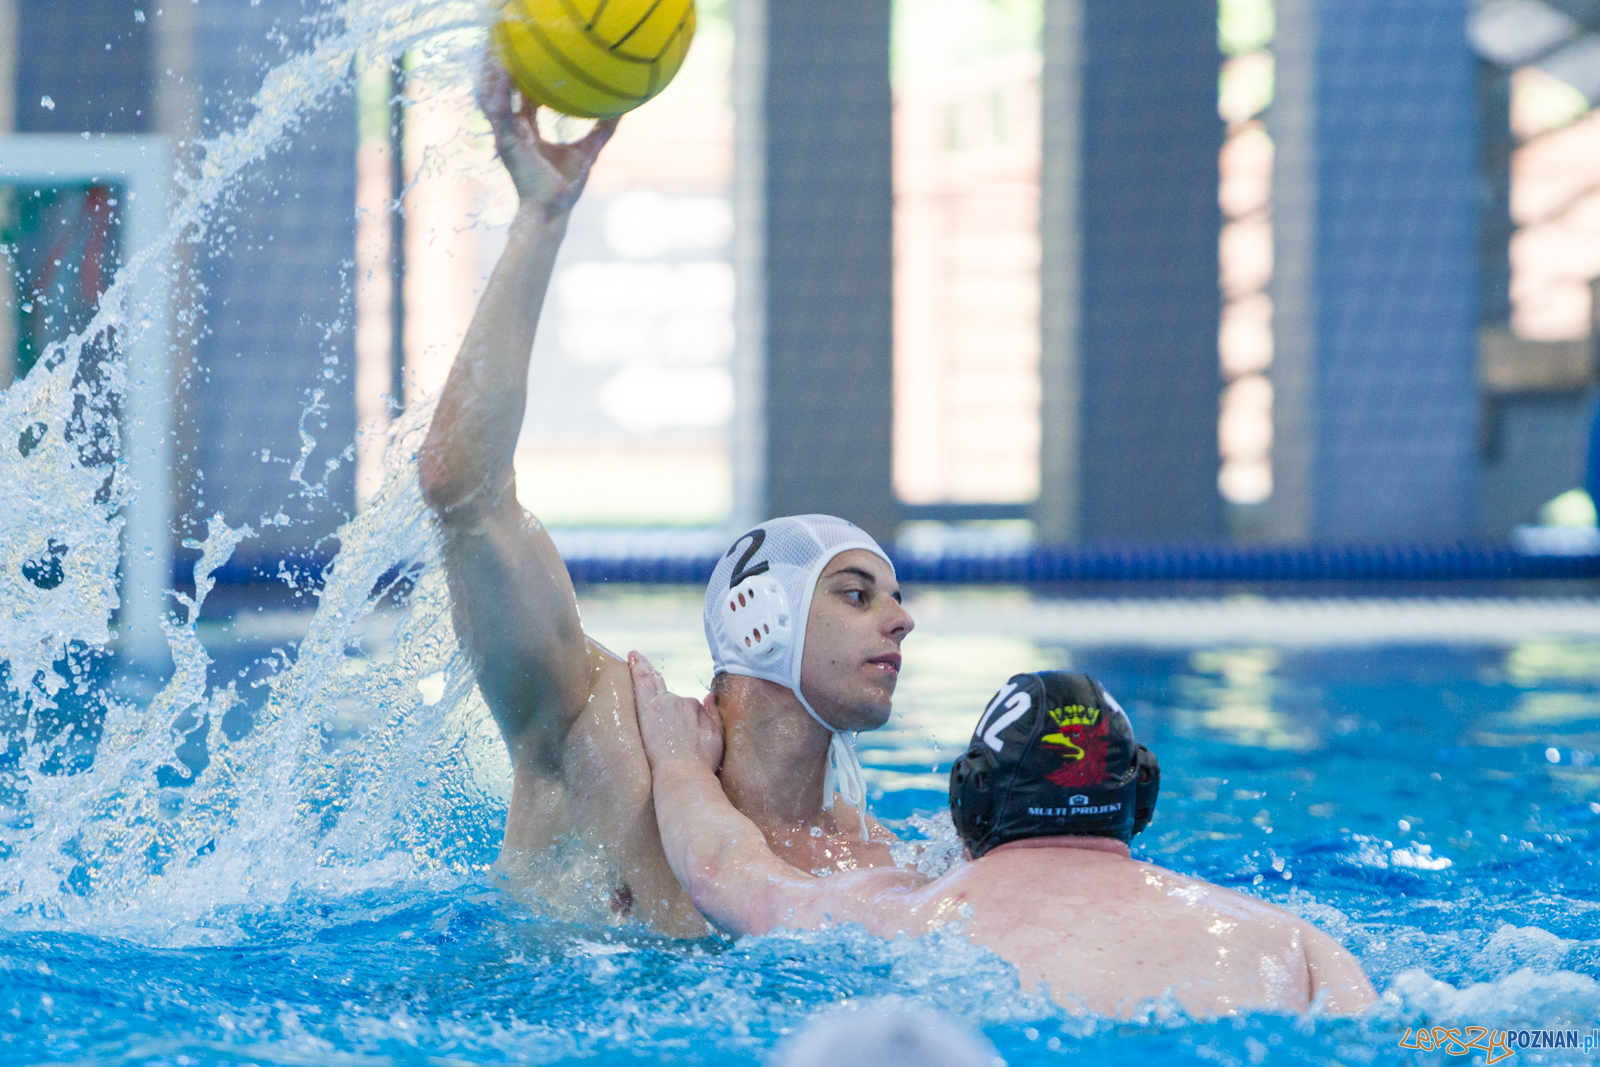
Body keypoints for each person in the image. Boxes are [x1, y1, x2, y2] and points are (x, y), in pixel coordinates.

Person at [416, 59, 913, 936]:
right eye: (857, 591)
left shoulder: (875, 861)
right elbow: (463, 492)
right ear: (763, 619)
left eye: (894, 595)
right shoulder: (606, 730)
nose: (901, 620)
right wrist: (540, 217)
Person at [632, 658, 1379, 1017]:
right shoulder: (1287, 940)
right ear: (1139, 795)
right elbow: (1417, 1043)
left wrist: (674, 758)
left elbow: (716, 869)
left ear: (971, 802)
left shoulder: (900, 912)